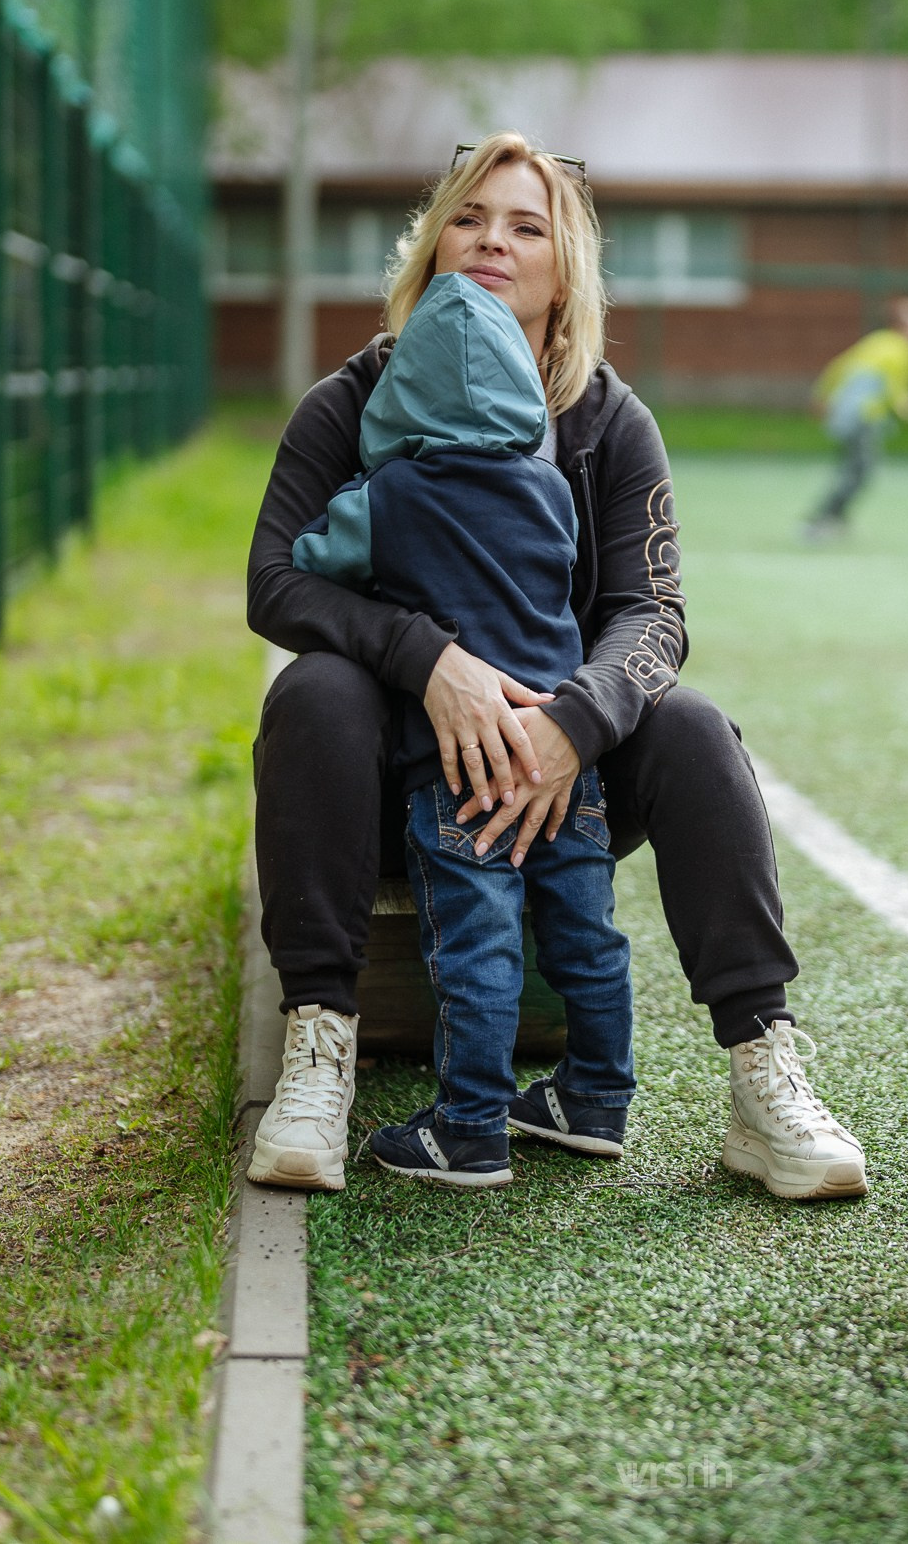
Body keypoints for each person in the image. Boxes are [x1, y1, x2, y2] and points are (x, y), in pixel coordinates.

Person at [246, 133, 868, 1201]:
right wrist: (430, 662)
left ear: (564, 269)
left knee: (692, 726)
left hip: (560, 781)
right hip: (397, 768)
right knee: (312, 691)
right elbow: (276, 584)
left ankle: (764, 1067)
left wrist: (568, 725)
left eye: (525, 225)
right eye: (470, 217)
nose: (493, 240)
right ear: (431, 246)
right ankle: (317, 1042)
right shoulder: (352, 403)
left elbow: (651, 615)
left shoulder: (610, 423)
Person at [290, 269, 634, 1187]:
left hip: (461, 767)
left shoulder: (392, 494)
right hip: (563, 759)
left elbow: (311, 560)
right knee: (585, 930)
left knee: (476, 940)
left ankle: (470, 1124)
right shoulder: (551, 489)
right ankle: (598, 1095)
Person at [803, 296, 908, 539]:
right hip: (863, 417)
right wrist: (907, 406)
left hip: (845, 415)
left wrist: (821, 396)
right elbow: (894, 387)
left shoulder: (877, 341)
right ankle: (822, 520)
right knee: (859, 471)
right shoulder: (905, 350)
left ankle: (835, 518)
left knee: (851, 469)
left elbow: (839, 366)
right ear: (906, 325)